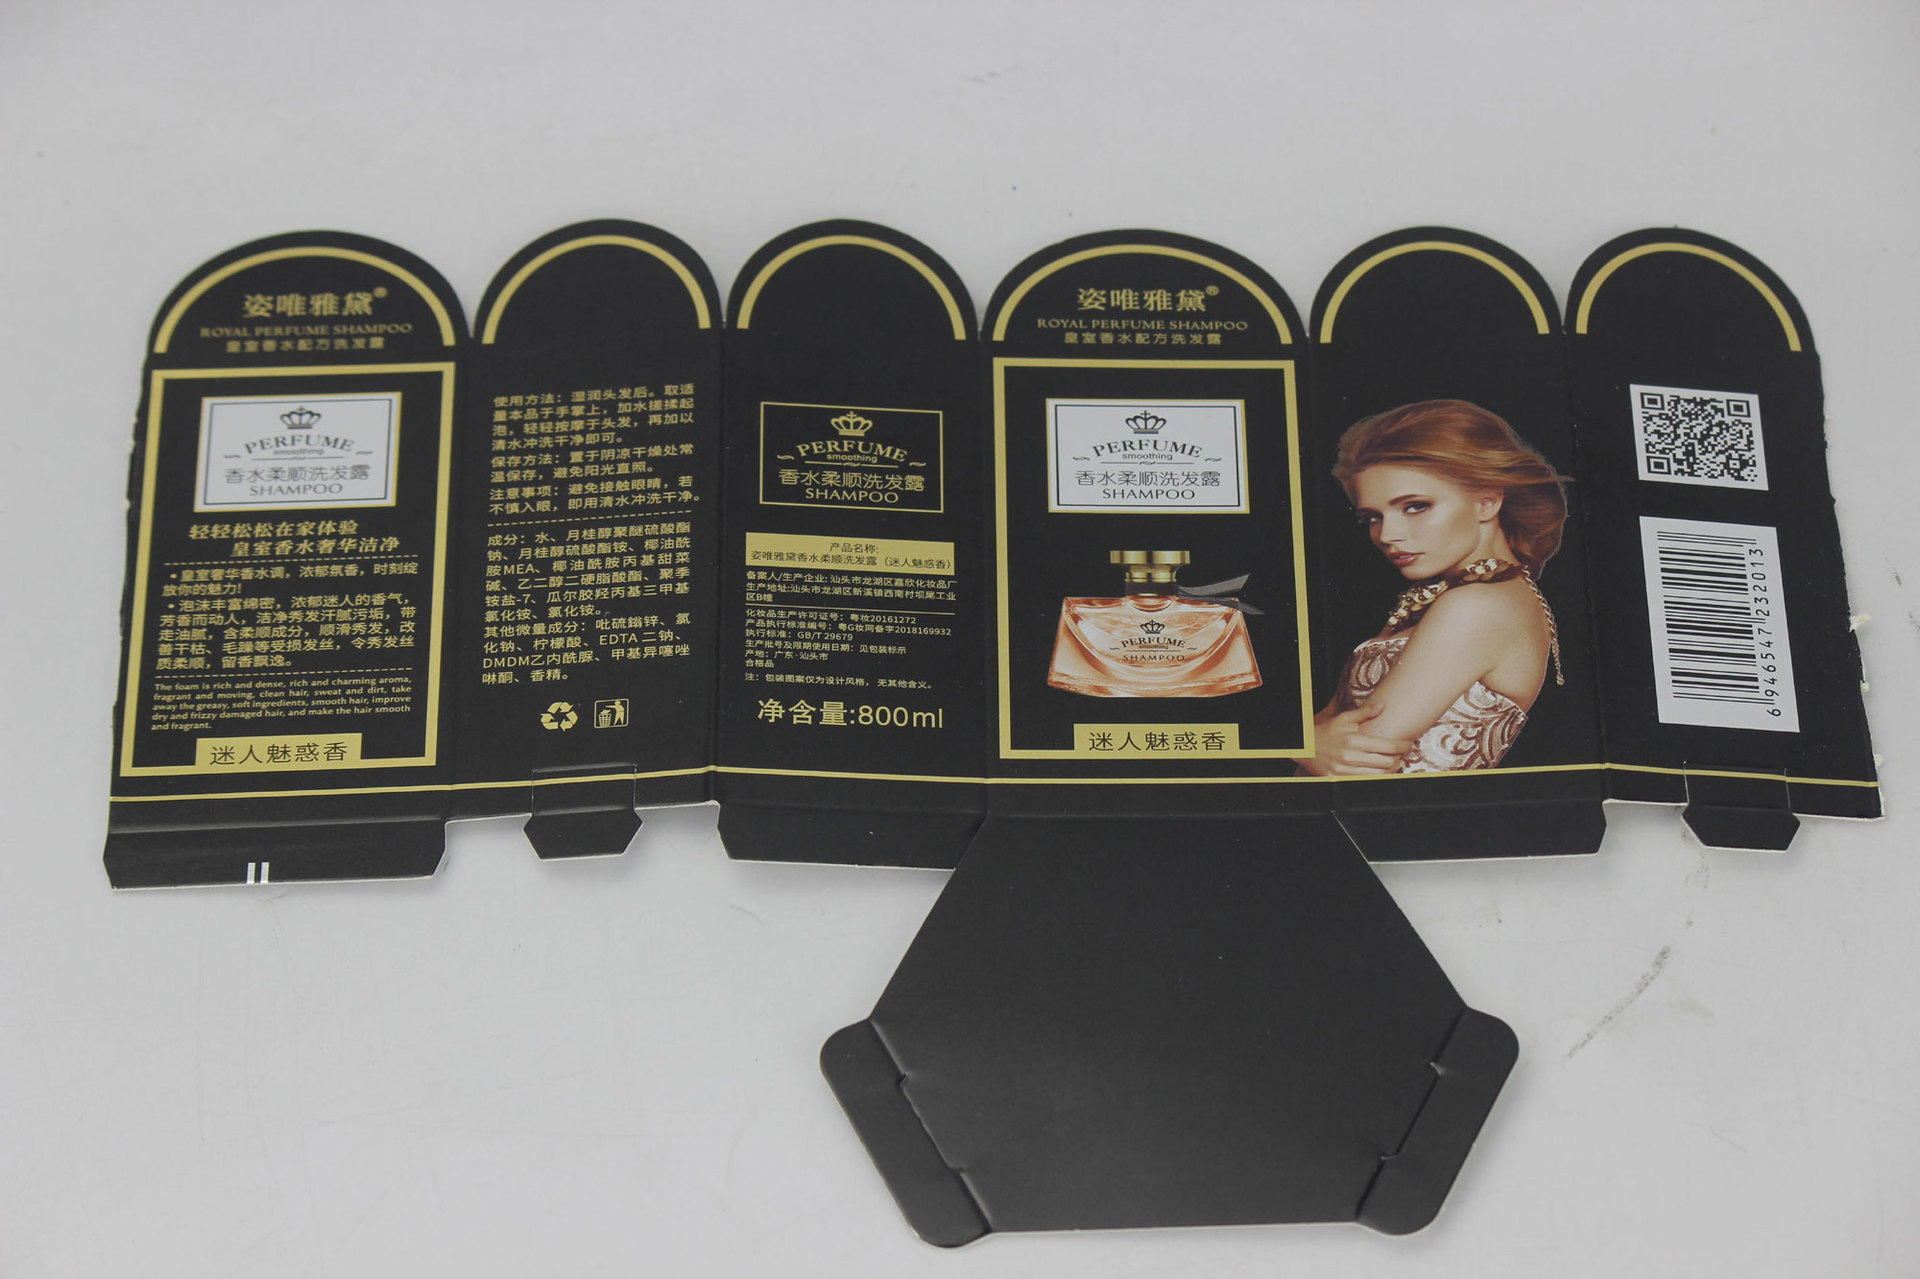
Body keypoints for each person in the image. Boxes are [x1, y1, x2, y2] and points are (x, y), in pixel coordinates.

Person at [1299, 400, 1568, 775]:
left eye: (1415, 506)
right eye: (1372, 517)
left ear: (1487, 501)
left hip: (1385, 812)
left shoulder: (1479, 606)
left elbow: (1358, 755)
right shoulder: (1453, 596)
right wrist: (1310, 740)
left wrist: (1302, 741)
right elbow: (1328, 725)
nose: (1387, 535)